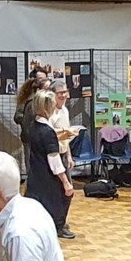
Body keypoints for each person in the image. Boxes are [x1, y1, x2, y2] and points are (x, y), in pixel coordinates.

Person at [20, 89, 77, 241]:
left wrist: (62, 134)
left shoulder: (34, 126)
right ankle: (59, 226)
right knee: (62, 198)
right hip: (47, 176)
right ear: (48, 107)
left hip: (35, 173)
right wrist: (66, 182)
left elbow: (46, 138)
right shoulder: (47, 131)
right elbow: (55, 161)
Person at [47, 80, 79, 239]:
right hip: (52, 156)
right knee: (59, 192)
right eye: (61, 93)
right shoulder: (49, 113)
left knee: (68, 191)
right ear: (53, 95)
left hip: (63, 154)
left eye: (66, 92)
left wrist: (69, 155)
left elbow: (66, 137)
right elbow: (50, 138)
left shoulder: (65, 110)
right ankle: (57, 224)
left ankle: (60, 223)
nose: (65, 96)